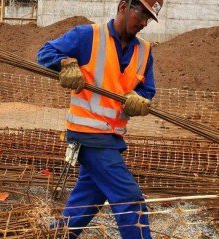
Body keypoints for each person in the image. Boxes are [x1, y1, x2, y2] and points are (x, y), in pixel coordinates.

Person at [37, 0, 163, 238]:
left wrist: (138, 99)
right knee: (129, 199)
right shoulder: (87, 36)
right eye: (141, 14)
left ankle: (57, 235)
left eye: (149, 18)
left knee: (89, 197)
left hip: (112, 137)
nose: (144, 23)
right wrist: (65, 63)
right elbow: (44, 52)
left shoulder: (145, 51)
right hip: (87, 134)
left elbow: (148, 90)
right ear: (124, 7)